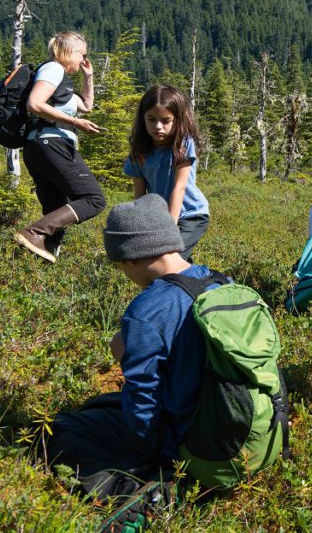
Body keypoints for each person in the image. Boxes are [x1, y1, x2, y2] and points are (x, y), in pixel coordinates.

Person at [46, 194, 215, 504]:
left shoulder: (147, 309)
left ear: (134, 256)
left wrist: (144, 447)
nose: (124, 273)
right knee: (102, 405)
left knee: (60, 431)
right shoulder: (219, 283)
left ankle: (146, 496)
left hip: (183, 444)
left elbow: (143, 404)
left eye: (121, 265)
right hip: (236, 432)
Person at [14, 31, 106, 263]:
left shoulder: (60, 81)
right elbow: (35, 103)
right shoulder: (54, 69)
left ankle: (41, 261)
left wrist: (89, 77)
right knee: (93, 198)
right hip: (51, 143)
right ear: (69, 52)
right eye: (82, 54)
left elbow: (86, 105)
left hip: (39, 147)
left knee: (56, 209)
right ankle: (34, 232)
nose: (84, 59)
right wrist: (74, 122)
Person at [125, 85, 210, 261]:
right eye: (151, 119)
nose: (158, 126)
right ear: (143, 119)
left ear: (178, 119)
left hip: (191, 215)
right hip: (161, 217)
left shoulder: (183, 144)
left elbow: (179, 187)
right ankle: (196, 282)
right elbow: (140, 196)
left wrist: (168, 228)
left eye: (166, 120)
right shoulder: (139, 151)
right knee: (172, 261)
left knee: (170, 258)